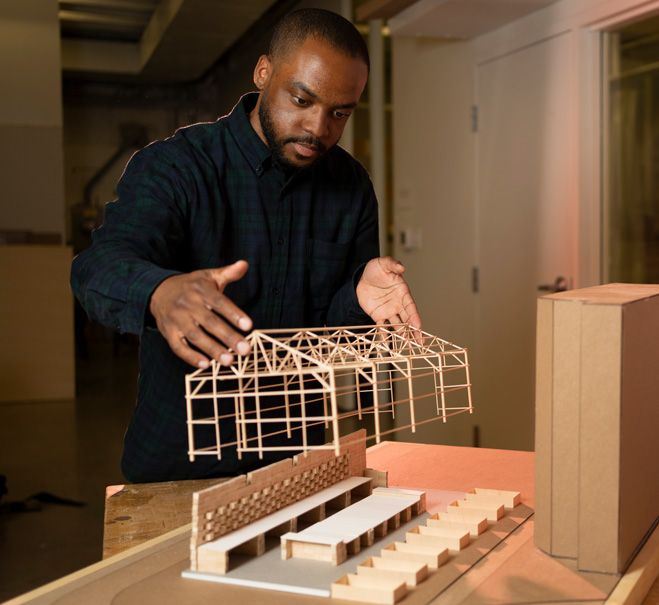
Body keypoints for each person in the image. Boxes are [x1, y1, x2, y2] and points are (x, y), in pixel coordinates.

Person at [70, 8, 419, 483]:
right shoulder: (177, 166)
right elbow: (96, 267)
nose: (319, 128)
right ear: (263, 73)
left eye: (340, 112)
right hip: (182, 461)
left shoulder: (352, 186)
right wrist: (160, 291)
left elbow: (335, 336)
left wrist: (358, 297)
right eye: (302, 99)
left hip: (297, 458)